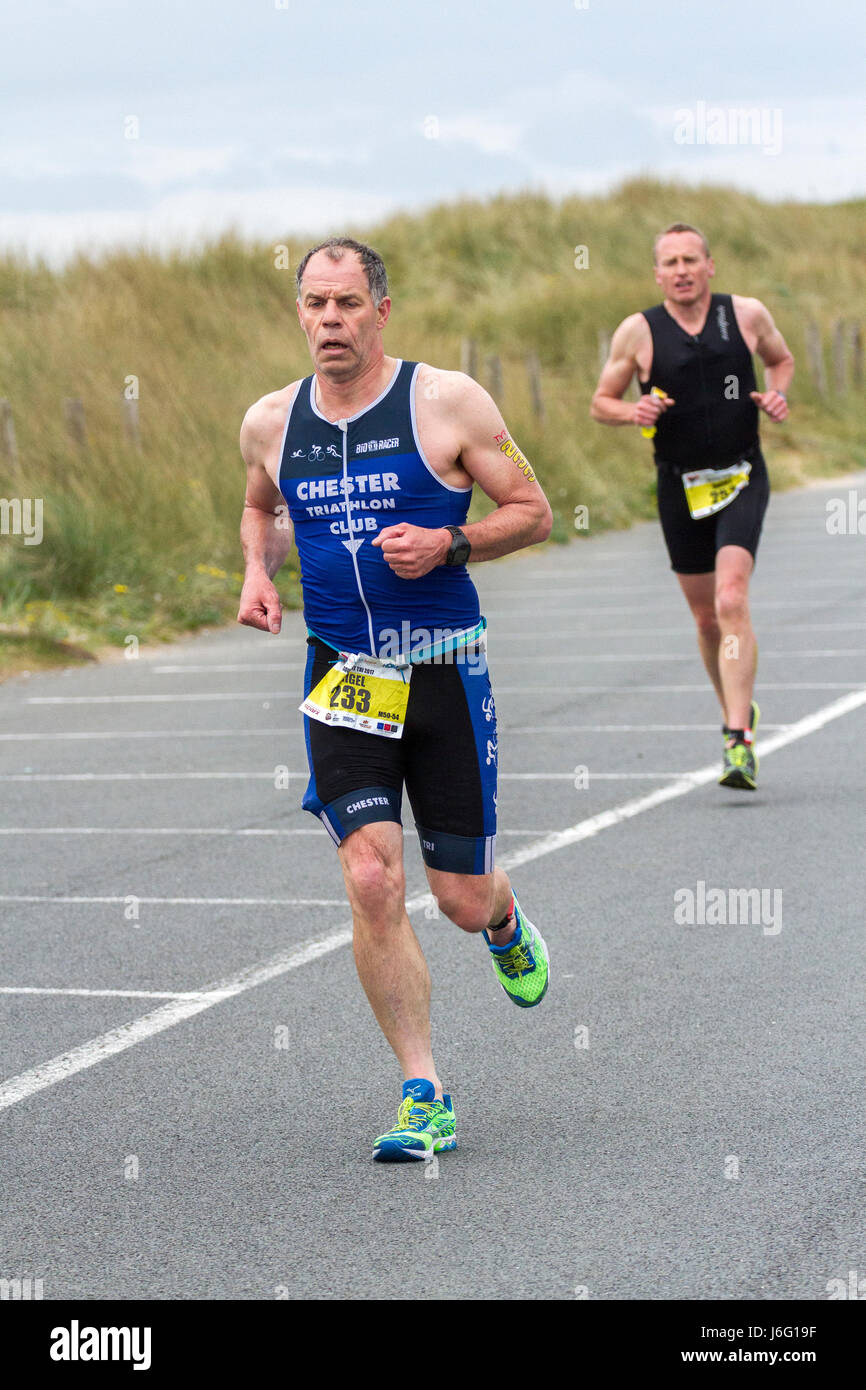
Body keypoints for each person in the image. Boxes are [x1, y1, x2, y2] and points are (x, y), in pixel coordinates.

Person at [237, 236, 553, 1162]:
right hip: (342, 676)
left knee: (455, 899)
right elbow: (260, 501)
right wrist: (258, 569)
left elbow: (532, 510)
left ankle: (499, 916)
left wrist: (450, 545)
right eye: (314, 304)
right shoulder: (269, 420)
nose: (329, 321)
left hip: (444, 667)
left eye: (346, 304)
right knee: (372, 876)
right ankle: (425, 1091)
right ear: (299, 313)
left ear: (381, 310)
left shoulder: (446, 402)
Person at [590, 222, 795, 789]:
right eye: (669, 262)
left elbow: (782, 360)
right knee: (706, 618)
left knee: (732, 597)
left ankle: (736, 739)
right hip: (678, 485)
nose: (681, 270)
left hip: (741, 475)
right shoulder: (638, 332)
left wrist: (777, 393)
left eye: (690, 260)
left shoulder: (746, 316)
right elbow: (601, 401)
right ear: (657, 274)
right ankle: (737, 706)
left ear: (710, 266)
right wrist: (631, 413)